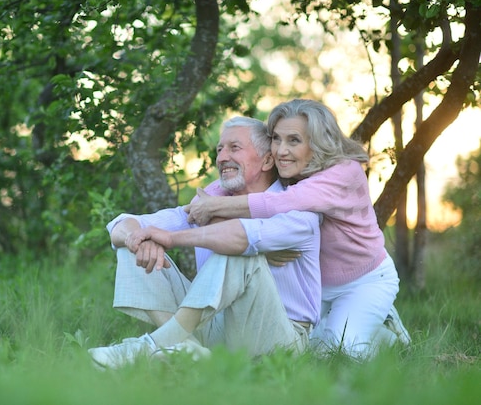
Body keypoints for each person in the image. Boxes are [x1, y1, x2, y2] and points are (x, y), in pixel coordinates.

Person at [88, 116, 322, 369]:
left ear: (267, 160)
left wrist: (172, 238)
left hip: (280, 338)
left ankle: (153, 345)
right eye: (219, 149)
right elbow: (121, 224)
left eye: (234, 147)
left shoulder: (297, 208)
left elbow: (241, 236)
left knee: (237, 250)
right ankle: (188, 348)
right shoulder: (207, 204)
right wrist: (138, 238)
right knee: (133, 246)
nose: (221, 158)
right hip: (217, 328)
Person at [186, 99, 411, 360]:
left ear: (317, 143)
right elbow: (222, 188)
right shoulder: (289, 169)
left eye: (293, 140)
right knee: (299, 350)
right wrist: (205, 205)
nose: (281, 150)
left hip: (362, 281)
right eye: (276, 139)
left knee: (341, 355)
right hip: (316, 287)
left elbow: (280, 202)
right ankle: (343, 322)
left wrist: (213, 207)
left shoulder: (344, 172)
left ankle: (386, 332)